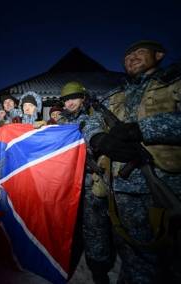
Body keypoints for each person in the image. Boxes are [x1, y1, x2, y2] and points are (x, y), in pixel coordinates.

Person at [90, 40, 181, 283]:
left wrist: (142, 129)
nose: (132, 57)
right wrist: (98, 139)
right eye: (127, 54)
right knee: (136, 261)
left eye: (139, 51)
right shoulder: (115, 94)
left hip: (176, 189)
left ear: (159, 54)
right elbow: (92, 122)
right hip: (124, 191)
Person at [59, 81, 115, 283]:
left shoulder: (94, 117)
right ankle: (69, 258)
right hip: (67, 182)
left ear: (82, 98)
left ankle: (99, 268)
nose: (70, 102)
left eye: (73, 98)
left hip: (89, 180)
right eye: (66, 99)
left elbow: (97, 140)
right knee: (71, 224)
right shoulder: (61, 123)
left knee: (95, 226)